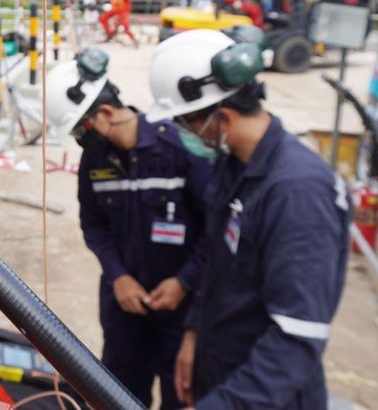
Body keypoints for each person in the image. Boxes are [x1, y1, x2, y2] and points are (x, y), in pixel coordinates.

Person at [145, 29, 350, 410]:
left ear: (221, 116)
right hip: (223, 371)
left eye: (185, 124)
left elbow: (296, 336)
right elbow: (218, 265)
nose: (183, 134)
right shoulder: (234, 165)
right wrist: (192, 333)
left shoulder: (298, 194)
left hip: (266, 397)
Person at [47, 48, 212, 410]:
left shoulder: (178, 149)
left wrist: (185, 281)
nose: (79, 140)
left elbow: (213, 228)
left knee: (181, 394)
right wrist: (118, 275)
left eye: (80, 129)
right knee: (118, 392)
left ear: (104, 113)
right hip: (124, 306)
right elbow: (93, 224)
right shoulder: (95, 161)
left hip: (181, 308)